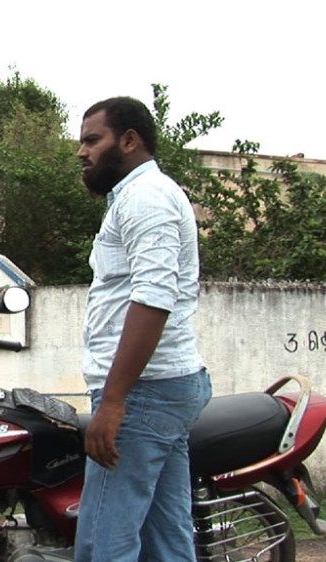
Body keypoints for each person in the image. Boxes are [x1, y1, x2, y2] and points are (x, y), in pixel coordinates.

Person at [74, 97, 212, 562]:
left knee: (103, 545)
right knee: (165, 541)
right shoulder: (139, 196)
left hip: (143, 393)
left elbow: (153, 298)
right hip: (159, 388)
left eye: (93, 140)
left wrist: (115, 401)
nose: (82, 152)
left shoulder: (145, 198)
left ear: (129, 141)